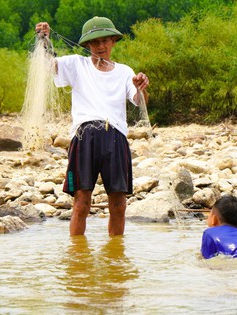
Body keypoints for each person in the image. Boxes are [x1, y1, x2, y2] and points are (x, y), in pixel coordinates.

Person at [35, 17, 149, 236]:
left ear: (113, 42)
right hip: (84, 137)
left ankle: (115, 258)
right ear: (87, 45)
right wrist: (44, 39)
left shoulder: (125, 71)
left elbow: (138, 99)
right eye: (95, 42)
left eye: (105, 40)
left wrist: (141, 86)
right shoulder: (77, 64)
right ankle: (78, 259)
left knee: (119, 205)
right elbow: (49, 64)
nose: (100, 46)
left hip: (115, 138)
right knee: (81, 203)